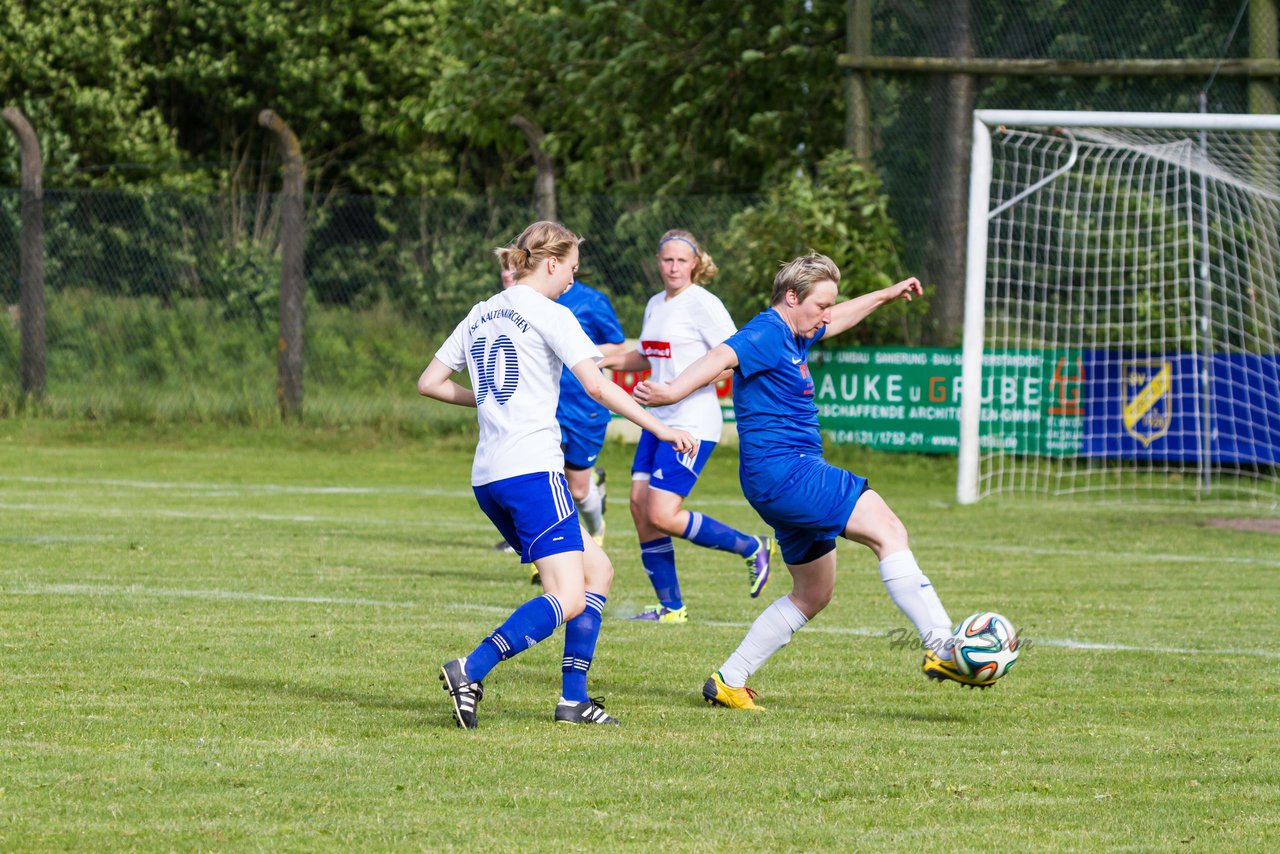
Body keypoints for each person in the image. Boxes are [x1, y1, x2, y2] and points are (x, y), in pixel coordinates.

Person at [633, 252, 990, 710]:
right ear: (791, 297)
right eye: (819, 305)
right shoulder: (766, 331)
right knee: (889, 531)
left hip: (775, 479)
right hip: (789, 471)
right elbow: (724, 353)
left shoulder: (795, 331)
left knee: (813, 593)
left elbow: (837, 318)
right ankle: (943, 646)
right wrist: (671, 391)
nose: (825, 315)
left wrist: (885, 294)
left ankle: (729, 679)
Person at [418, 221, 695, 729]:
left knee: (599, 571)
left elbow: (430, 382)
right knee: (567, 595)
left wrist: (480, 399)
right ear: (550, 263)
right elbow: (598, 387)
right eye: (570, 268)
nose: (572, 279)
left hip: (489, 478)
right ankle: (470, 667)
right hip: (532, 472)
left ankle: (573, 699)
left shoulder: (482, 312)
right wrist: (661, 425)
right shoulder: (552, 313)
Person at [606, 229, 775, 623]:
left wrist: (678, 389)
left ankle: (751, 546)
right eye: (667, 260)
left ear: (695, 264)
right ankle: (672, 608)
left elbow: (732, 358)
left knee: (662, 513)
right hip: (657, 421)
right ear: (658, 262)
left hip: (693, 422)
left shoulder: (704, 304)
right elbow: (646, 356)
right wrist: (601, 362)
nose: (674, 267)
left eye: (682, 260)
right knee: (638, 506)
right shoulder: (654, 304)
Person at [493, 269, 626, 580]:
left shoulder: (591, 301)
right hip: (543, 410)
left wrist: (576, 351)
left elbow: (618, 347)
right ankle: (553, 557)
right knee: (543, 480)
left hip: (582, 408)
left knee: (578, 490)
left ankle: (595, 528)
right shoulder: (527, 305)